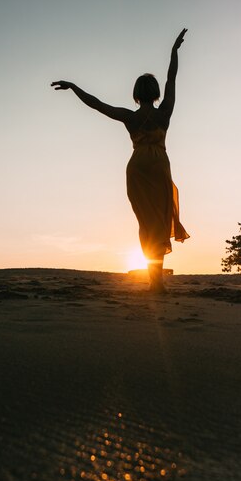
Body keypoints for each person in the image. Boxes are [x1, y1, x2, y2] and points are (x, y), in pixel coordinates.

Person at [51, 29, 189, 292]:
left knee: (145, 223)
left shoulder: (130, 117)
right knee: (159, 221)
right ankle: (157, 281)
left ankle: (153, 280)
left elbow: (96, 104)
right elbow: (172, 77)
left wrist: (73, 87)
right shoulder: (165, 112)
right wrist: (174, 52)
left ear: (136, 94)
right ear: (156, 93)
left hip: (137, 168)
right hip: (159, 166)